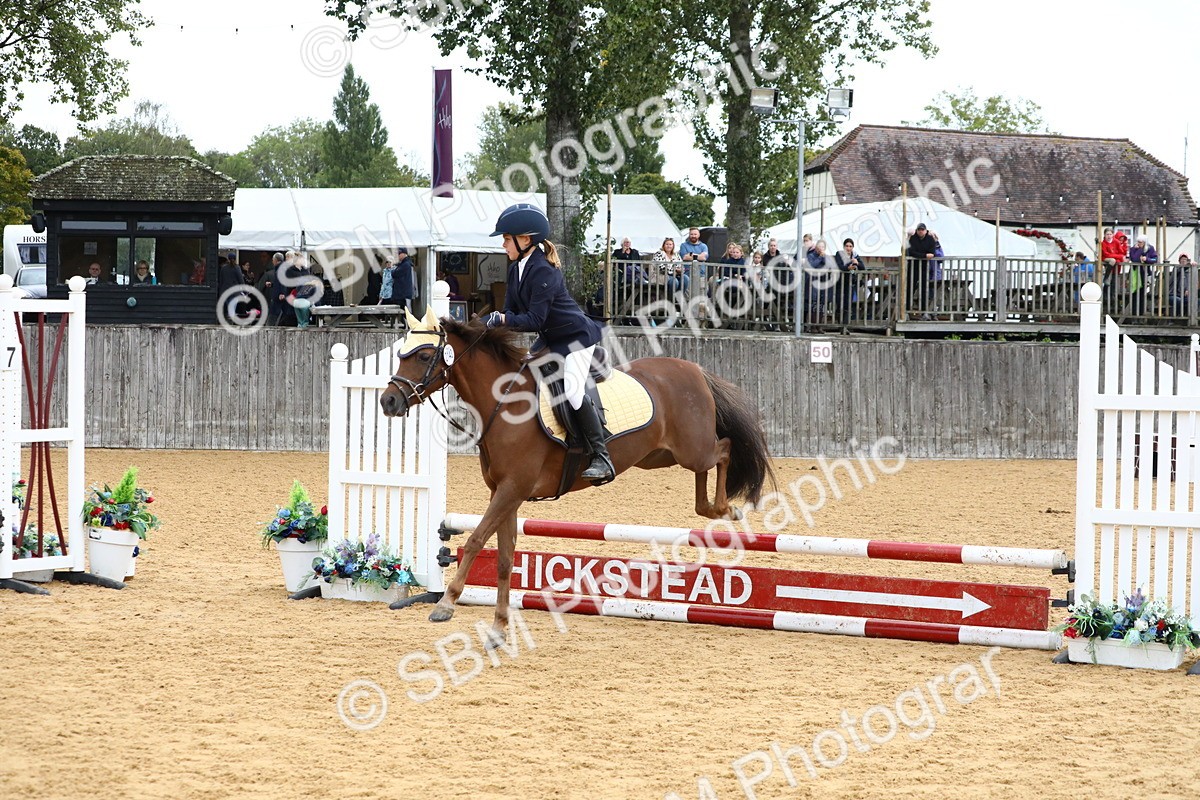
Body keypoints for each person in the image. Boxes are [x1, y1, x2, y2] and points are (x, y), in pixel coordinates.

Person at [483, 203, 612, 482]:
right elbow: (510, 312)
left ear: (525, 239)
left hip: (576, 338)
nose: (504, 244)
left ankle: (602, 456)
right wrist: (485, 329)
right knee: (522, 375)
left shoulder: (544, 271)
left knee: (574, 391)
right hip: (551, 338)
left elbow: (534, 319)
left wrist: (502, 320)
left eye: (506, 239)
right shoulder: (516, 268)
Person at [906, 223, 937, 317]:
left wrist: (923, 255)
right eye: (919, 229)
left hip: (925, 268)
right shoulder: (913, 238)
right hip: (913, 267)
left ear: (925, 230)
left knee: (924, 290)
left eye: (922, 230)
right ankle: (907, 310)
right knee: (910, 289)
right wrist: (924, 255)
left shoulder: (930, 239)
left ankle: (924, 311)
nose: (920, 231)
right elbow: (911, 252)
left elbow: (932, 253)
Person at [833, 237, 863, 322]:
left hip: (850, 283)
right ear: (844, 247)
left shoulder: (855, 255)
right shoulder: (839, 254)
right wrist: (848, 267)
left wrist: (857, 263)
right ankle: (839, 321)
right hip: (840, 282)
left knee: (847, 304)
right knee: (839, 303)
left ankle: (845, 326)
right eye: (847, 246)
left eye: (850, 246)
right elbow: (839, 266)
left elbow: (863, 267)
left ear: (853, 247)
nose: (848, 248)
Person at [1127, 234, 1157, 315]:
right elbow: (1134, 259)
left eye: (1141, 242)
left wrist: (1146, 259)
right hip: (1135, 272)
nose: (1139, 243)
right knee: (1134, 293)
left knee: (1142, 293)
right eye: (1138, 242)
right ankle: (1134, 313)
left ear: (1144, 242)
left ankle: (1141, 313)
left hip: (1145, 273)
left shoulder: (1150, 248)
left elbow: (1155, 259)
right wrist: (1138, 250)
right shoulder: (1134, 249)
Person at [1100, 228, 1128, 311]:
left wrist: (1120, 256)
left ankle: (1113, 302)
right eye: (1107, 234)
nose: (1109, 236)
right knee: (1113, 261)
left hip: (1116, 267)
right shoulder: (1103, 243)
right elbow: (1106, 254)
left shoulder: (1116, 242)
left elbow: (1122, 252)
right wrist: (1119, 256)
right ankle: (1106, 277)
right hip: (1107, 260)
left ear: (1113, 235)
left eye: (1110, 234)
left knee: (1114, 285)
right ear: (1104, 235)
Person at [678, 226, 709, 297]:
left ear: (699, 235)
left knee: (702, 295)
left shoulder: (704, 246)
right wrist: (699, 256)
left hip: (701, 274)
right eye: (691, 234)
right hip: (687, 274)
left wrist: (692, 255)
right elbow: (684, 257)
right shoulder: (683, 245)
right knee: (688, 296)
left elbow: (704, 258)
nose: (693, 236)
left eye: (695, 234)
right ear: (689, 235)